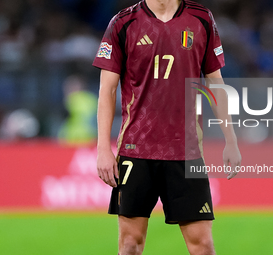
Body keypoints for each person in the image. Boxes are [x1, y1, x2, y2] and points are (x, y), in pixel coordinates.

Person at [93, 1, 241, 254]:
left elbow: (215, 82)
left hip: (186, 151)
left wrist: (231, 139)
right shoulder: (123, 23)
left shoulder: (201, 19)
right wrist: (103, 148)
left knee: (203, 245)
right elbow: (107, 90)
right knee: (130, 244)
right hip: (135, 150)